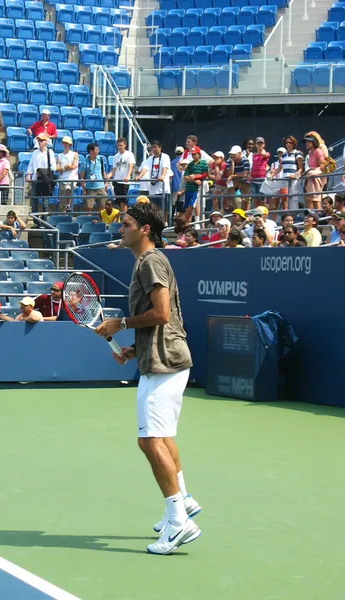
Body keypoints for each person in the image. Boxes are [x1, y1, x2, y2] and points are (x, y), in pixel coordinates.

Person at [94, 202, 200, 555]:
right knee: (161, 436)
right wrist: (132, 349)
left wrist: (120, 324)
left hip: (165, 361)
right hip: (161, 357)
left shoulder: (152, 261)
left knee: (149, 440)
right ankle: (183, 500)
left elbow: (162, 313)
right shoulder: (145, 262)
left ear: (144, 230)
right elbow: (159, 320)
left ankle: (178, 520)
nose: (119, 229)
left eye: (125, 224)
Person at [135, 140, 171, 212]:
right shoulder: (150, 159)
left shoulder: (165, 156)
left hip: (163, 188)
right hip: (153, 188)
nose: (153, 149)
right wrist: (139, 176)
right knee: (153, 209)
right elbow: (145, 168)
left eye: (155, 147)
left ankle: (165, 222)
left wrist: (162, 176)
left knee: (164, 208)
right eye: (152, 147)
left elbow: (165, 168)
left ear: (160, 148)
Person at [26, 134, 57, 213]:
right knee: (34, 201)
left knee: (45, 202)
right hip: (36, 180)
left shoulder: (50, 152)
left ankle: (44, 220)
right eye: (39, 140)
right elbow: (31, 165)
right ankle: (36, 221)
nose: (39, 142)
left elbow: (53, 167)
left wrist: (42, 172)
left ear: (46, 142)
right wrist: (29, 174)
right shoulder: (35, 153)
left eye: (41, 140)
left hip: (45, 180)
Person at [271, 136, 304, 211]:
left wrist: (295, 175)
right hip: (284, 179)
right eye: (286, 143)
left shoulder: (297, 153)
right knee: (279, 194)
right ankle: (284, 214)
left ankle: (293, 216)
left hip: (293, 179)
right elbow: (279, 168)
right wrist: (272, 175)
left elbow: (301, 168)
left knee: (293, 198)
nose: (288, 144)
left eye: (290, 142)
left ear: (293, 143)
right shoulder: (284, 155)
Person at [107, 137, 136, 213]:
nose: (119, 147)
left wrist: (127, 176)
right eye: (118, 145)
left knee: (123, 202)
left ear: (125, 145)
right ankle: (120, 219)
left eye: (121, 145)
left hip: (124, 182)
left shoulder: (129, 154)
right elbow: (114, 169)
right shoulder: (116, 156)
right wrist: (109, 175)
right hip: (116, 181)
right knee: (118, 202)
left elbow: (131, 166)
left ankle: (124, 218)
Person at [183, 147, 208, 222]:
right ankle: (186, 223)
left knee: (192, 206)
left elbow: (205, 174)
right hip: (188, 189)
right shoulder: (190, 164)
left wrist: (195, 177)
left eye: (195, 154)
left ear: (199, 154)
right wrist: (194, 180)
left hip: (196, 189)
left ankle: (186, 222)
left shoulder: (203, 163)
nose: (193, 156)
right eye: (192, 154)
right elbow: (185, 177)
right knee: (188, 208)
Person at [80, 143, 107, 212]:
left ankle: (101, 221)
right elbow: (81, 177)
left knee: (102, 207)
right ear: (91, 151)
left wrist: (105, 183)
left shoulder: (100, 159)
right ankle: (89, 221)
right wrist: (84, 190)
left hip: (101, 187)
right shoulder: (85, 162)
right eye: (96, 149)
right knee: (89, 208)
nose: (98, 151)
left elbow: (103, 172)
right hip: (90, 188)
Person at [56, 135, 78, 212]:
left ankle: (68, 206)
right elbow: (57, 169)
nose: (65, 144)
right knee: (62, 199)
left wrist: (63, 168)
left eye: (67, 143)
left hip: (72, 178)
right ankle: (63, 213)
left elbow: (73, 166)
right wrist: (66, 167)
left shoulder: (74, 154)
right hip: (62, 179)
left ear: (70, 144)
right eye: (64, 143)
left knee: (68, 190)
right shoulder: (59, 156)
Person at [303, 134, 325, 209]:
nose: (306, 143)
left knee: (316, 200)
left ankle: (319, 219)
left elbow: (322, 165)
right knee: (309, 199)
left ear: (313, 143)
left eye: (308, 142)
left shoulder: (318, 151)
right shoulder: (309, 153)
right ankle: (311, 217)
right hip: (309, 179)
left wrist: (313, 172)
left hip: (315, 179)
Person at [226, 145, 251, 211]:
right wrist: (232, 163)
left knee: (246, 201)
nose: (232, 156)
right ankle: (231, 206)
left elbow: (245, 174)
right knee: (236, 201)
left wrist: (233, 176)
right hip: (235, 183)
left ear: (239, 154)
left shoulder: (245, 160)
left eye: (234, 154)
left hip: (245, 183)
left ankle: (246, 214)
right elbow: (229, 174)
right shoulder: (229, 161)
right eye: (231, 154)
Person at [248, 137, 270, 207]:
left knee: (261, 200)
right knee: (255, 199)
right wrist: (249, 174)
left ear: (264, 145)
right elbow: (251, 166)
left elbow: (264, 154)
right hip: (253, 180)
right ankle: (256, 214)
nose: (260, 145)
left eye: (261, 143)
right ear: (255, 145)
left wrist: (262, 150)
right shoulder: (253, 155)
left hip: (262, 180)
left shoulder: (267, 153)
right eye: (258, 143)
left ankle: (261, 214)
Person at [170, 146, 185, 215]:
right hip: (184, 187)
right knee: (183, 206)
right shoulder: (186, 162)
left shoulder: (171, 163)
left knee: (173, 204)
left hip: (174, 187)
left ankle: (172, 221)